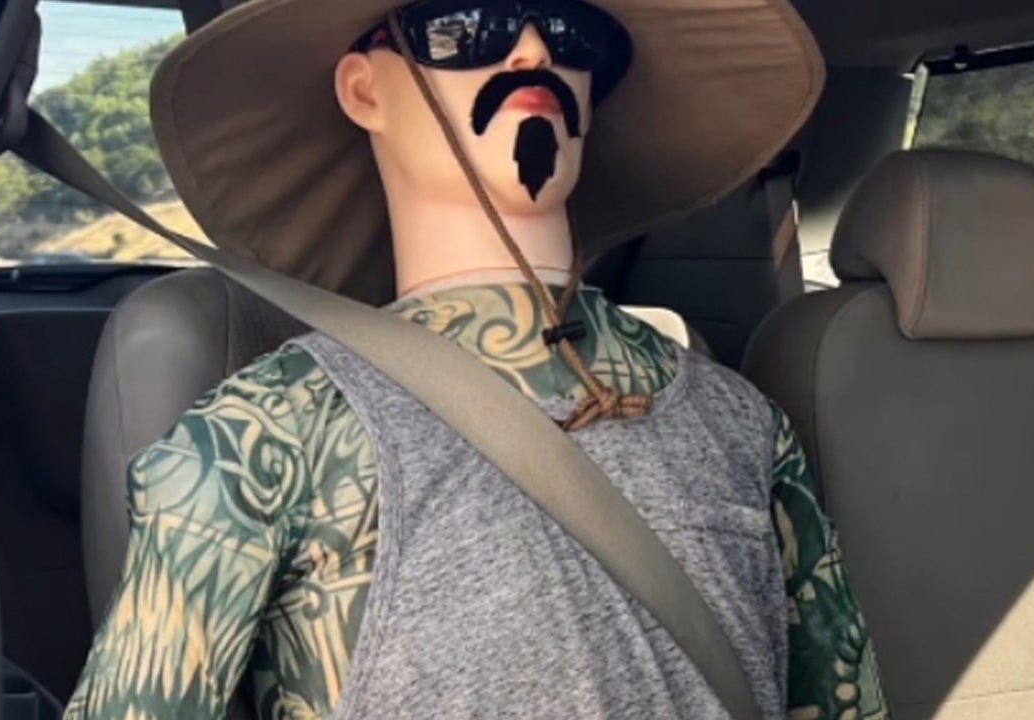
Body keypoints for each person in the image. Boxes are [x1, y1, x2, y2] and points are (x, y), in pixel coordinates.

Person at [65, 0, 889, 717]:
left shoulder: (742, 424)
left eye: (569, 31)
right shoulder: (262, 438)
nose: (532, 53)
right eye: (466, 25)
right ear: (364, 90)